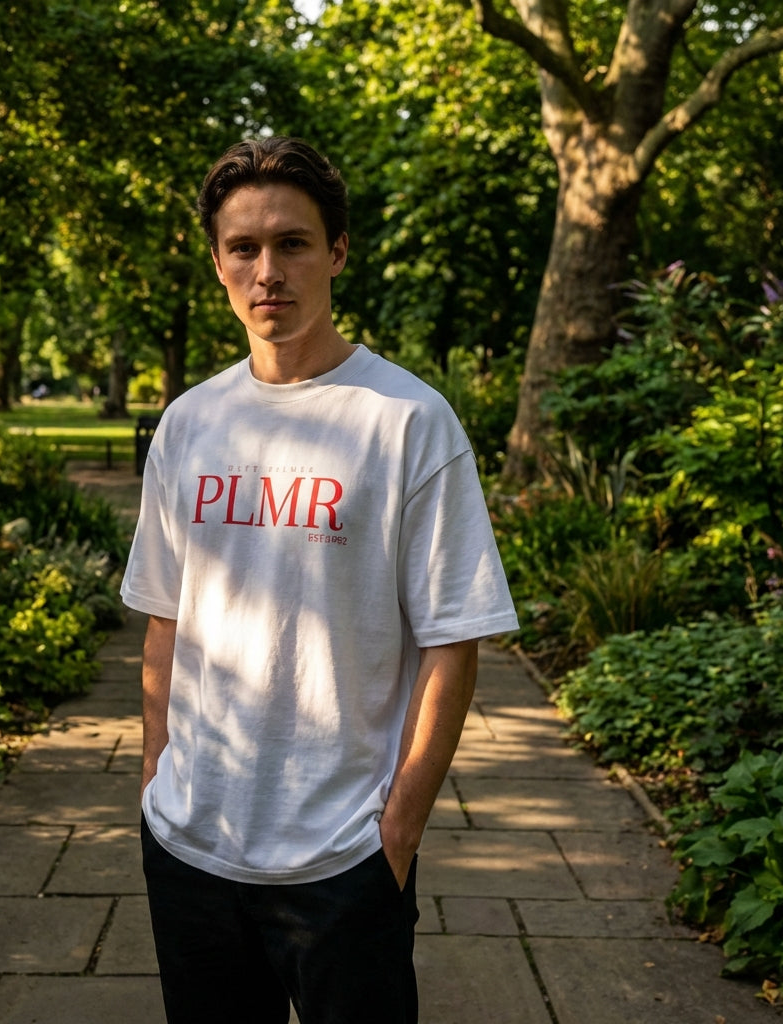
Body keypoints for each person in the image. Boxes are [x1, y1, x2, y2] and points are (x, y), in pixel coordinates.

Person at [121, 136, 518, 1024]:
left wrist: (398, 835)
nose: (269, 271)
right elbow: (162, 619)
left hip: (344, 861)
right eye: (244, 248)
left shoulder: (410, 421)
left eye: (293, 243)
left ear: (337, 252)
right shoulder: (189, 423)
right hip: (191, 849)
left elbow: (454, 639)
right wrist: (156, 785)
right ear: (218, 262)